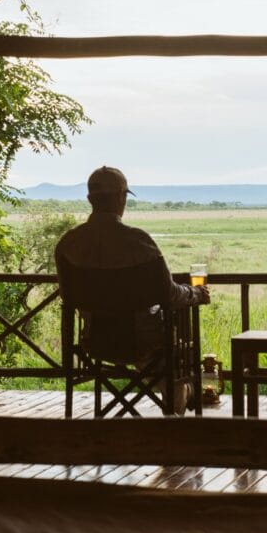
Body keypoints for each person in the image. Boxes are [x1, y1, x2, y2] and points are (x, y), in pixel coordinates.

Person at [54, 166, 210, 413]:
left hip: (94, 342)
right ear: (121, 197)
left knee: (159, 346)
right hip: (142, 343)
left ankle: (178, 393)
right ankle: (181, 398)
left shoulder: (68, 244)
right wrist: (197, 294)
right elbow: (168, 294)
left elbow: (67, 296)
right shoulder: (138, 242)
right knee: (177, 343)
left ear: (89, 199)